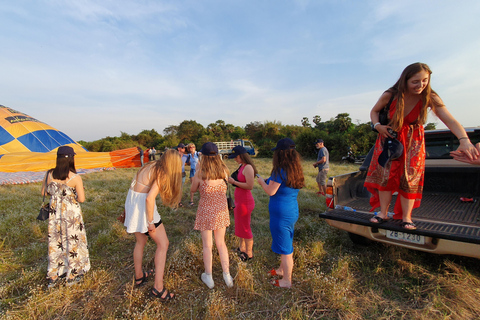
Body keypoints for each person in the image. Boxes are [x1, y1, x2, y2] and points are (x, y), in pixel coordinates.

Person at [364, 62, 478, 230]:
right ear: (405, 80)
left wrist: (464, 139)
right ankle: (383, 213)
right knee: (385, 176)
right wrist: (377, 126)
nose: (420, 85)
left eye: (424, 80)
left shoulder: (430, 97)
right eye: (415, 81)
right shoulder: (390, 94)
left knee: (410, 178)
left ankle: (407, 217)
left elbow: (450, 120)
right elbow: (374, 111)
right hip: (389, 138)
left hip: (414, 142)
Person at [124, 149, 182, 301]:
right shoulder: (162, 172)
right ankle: (158, 288)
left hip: (132, 203)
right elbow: (149, 199)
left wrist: (127, 212)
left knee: (141, 241)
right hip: (143, 207)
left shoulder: (152, 164)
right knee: (163, 244)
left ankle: (139, 277)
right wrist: (150, 223)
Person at [257, 138, 305, 288]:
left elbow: (271, 191)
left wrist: (261, 183)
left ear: (281, 154)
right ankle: (281, 269)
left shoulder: (279, 170)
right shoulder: (294, 169)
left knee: (285, 249)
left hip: (280, 213)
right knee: (287, 241)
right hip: (291, 211)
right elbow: (279, 184)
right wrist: (268, 180)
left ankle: (286, 280)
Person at [41, 146, 90, 288]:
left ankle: (55, 274)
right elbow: (81, 199)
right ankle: (73, 273)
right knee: (72, 240)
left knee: (56, 240)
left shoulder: (49, 174)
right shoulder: (75, 178)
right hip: (71, 214)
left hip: (54, 213)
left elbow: (44, 192)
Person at [190, 142, 234, 289]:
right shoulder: (224, 173)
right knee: (221, 244)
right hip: (221, 211)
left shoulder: (199, 174)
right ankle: (227, 275)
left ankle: (209, 277)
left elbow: (193, 189)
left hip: (206, 211)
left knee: (207, 246)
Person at [227, 145, 257, 261]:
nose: (235, 159)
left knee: (245, 227)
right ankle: (241, 248)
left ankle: (249, 253)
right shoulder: (242, 166)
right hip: (239, 201)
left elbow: (250, 186)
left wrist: (234, 182)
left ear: (241, 156)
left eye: (236, 157)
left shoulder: (248, 167)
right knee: (240, 226)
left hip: (245, 202)